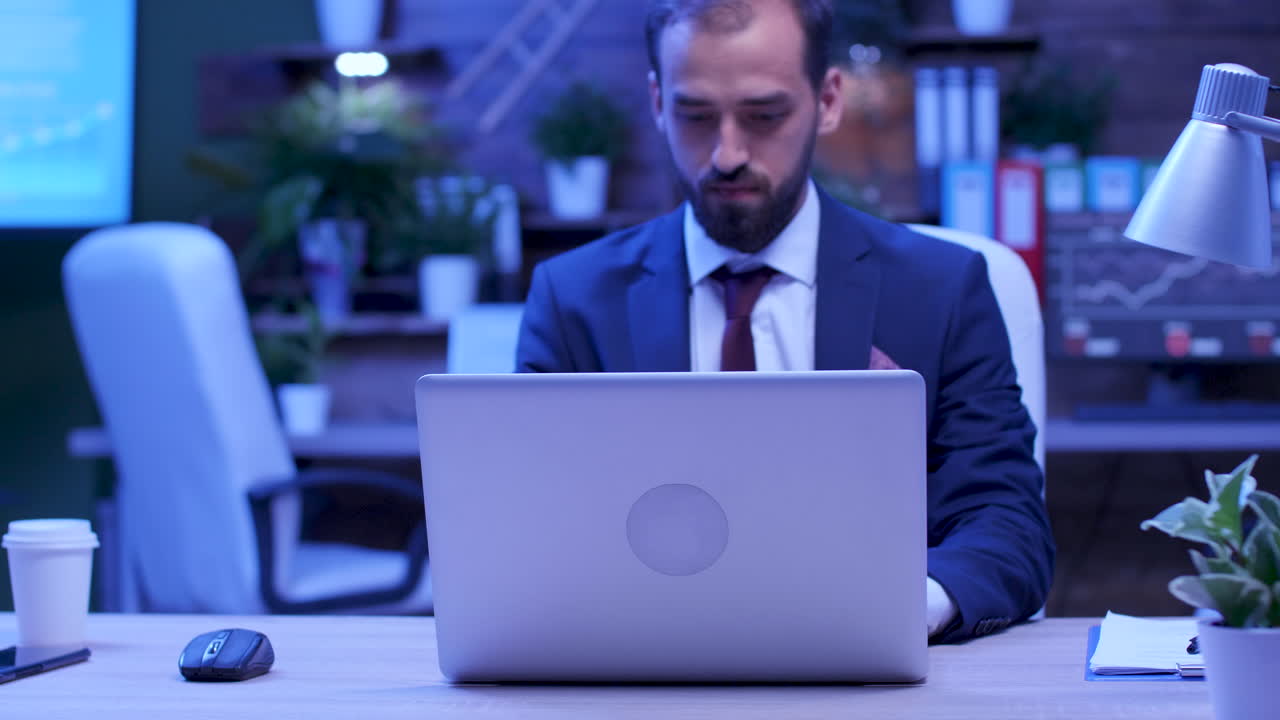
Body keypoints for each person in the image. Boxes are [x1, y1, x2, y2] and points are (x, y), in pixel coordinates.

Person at [515, 0, 1054, 643]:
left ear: (828, 101)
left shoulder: (941, 289)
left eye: (764, 116)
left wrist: (912, 607)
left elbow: (1004, 520)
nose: (727, 154)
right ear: (658, 103)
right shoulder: (575, 298)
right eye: (694, 116)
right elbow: (536, 528)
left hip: (869, 669)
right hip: (645, 662)